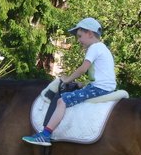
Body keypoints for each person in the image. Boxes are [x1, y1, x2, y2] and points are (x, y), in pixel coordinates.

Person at [22, 17, 116, 146]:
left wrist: (67, 80)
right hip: (104, 87)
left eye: (79, 36)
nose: (78, 40)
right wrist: (80, 84)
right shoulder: (104, 49)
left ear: (89, 33)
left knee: (62, 101)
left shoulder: (94, 48)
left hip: (98, 89)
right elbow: (99, 77)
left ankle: (45, 135)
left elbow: (83, 69)